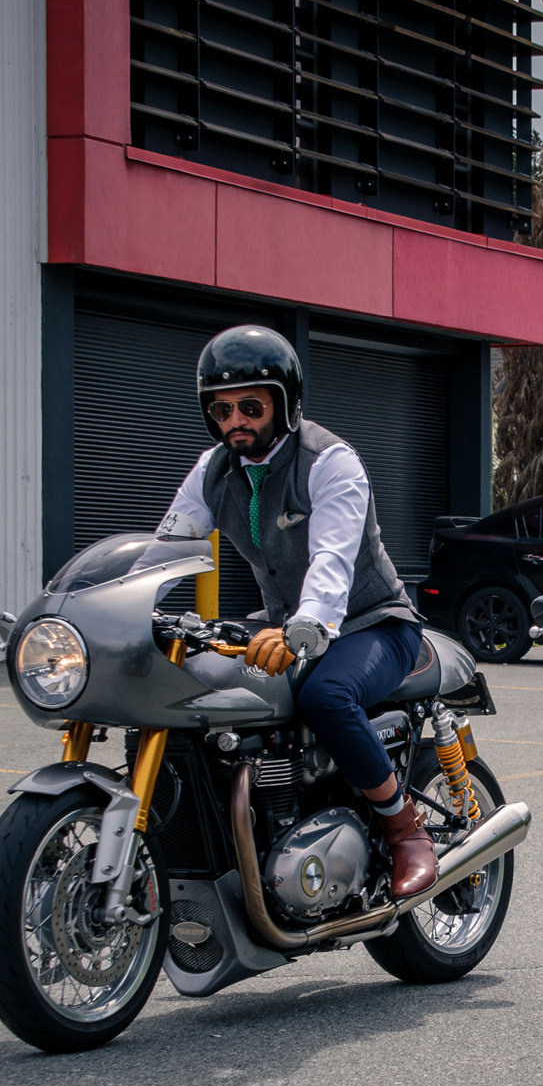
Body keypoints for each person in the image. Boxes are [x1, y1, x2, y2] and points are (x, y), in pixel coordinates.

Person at [155, 325, 437, 898]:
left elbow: (331, 560)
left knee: (325, 696)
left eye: (251, 406)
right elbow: (165, 551)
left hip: (372, 619)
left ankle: (406, 829)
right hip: (284, 617)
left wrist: (304, 628)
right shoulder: (213, 472)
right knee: (189, 683)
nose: (236, 420)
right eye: (222, 409)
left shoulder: (329, 462)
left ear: (283, 403)